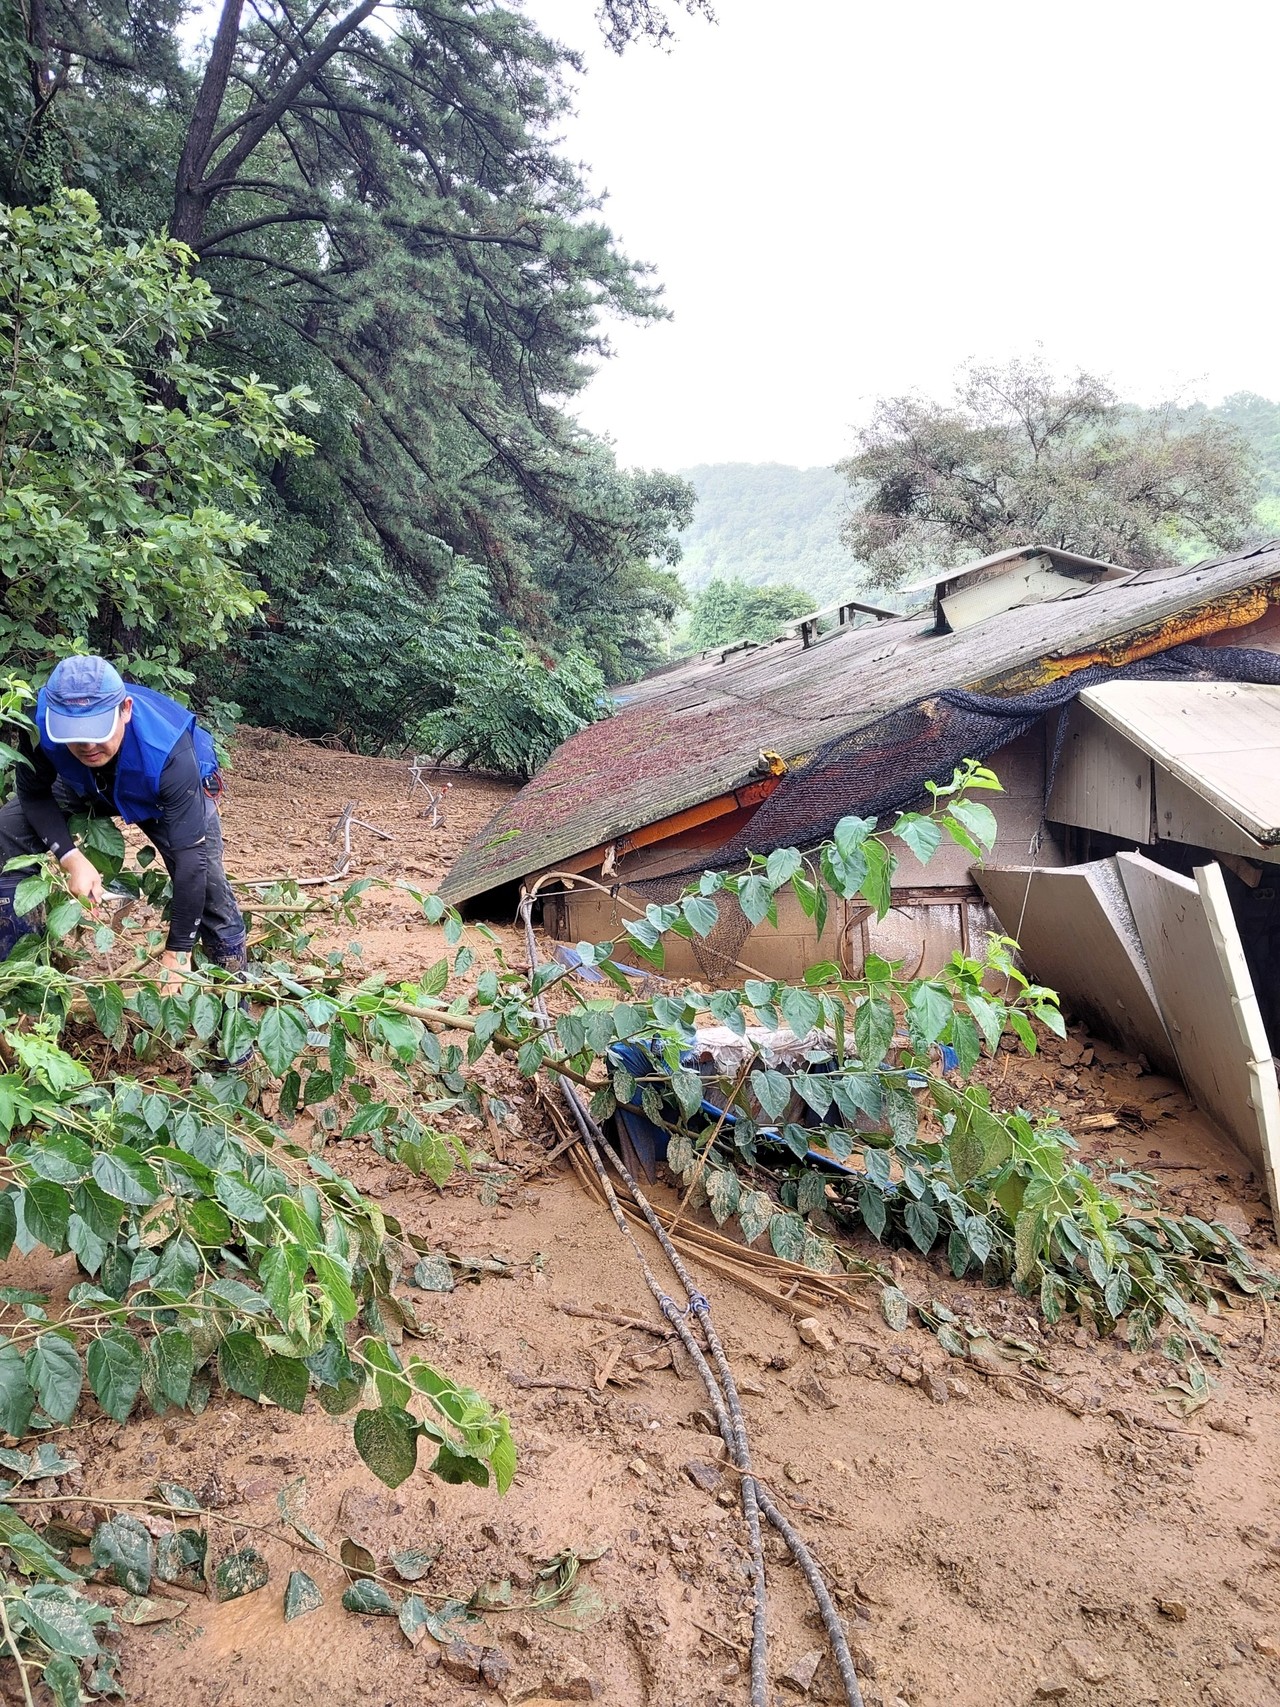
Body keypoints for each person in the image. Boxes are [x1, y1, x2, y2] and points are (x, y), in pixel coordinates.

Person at [0, 656, 246, 988]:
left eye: (96, 731)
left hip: (159, 788)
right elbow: (34, 795)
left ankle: (233, 999)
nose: (87, 745)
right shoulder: (40, 724)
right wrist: (70, 857)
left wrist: (179, 949)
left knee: (209, 885)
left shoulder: (169, 750)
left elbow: (191, 858)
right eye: (74, 734)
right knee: (5, 834)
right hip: (87, 783)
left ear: (125, 709)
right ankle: (18, 984)